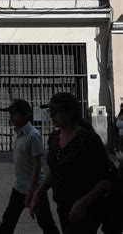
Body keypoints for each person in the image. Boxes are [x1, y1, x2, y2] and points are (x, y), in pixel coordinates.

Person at [30, 93, 117, 234]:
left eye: (55, 112)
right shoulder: (53, 139)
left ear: (69, 112)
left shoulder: (87, 139)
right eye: (49, 112)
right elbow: (56, 170)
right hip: (63, 207)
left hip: (87, 209)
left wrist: (83, 202)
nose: (51, 116)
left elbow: (106, 179)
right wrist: (38, 193)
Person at [0, 99, 59, 234]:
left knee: (45, 222)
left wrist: (31, 193)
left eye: (15, 114)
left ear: (25, 115)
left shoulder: (33, 135)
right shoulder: (19, 134)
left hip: (35, 187)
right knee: (8, 220)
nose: (11, 118)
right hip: (19, 187)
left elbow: (38, 165)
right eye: (10, 114)